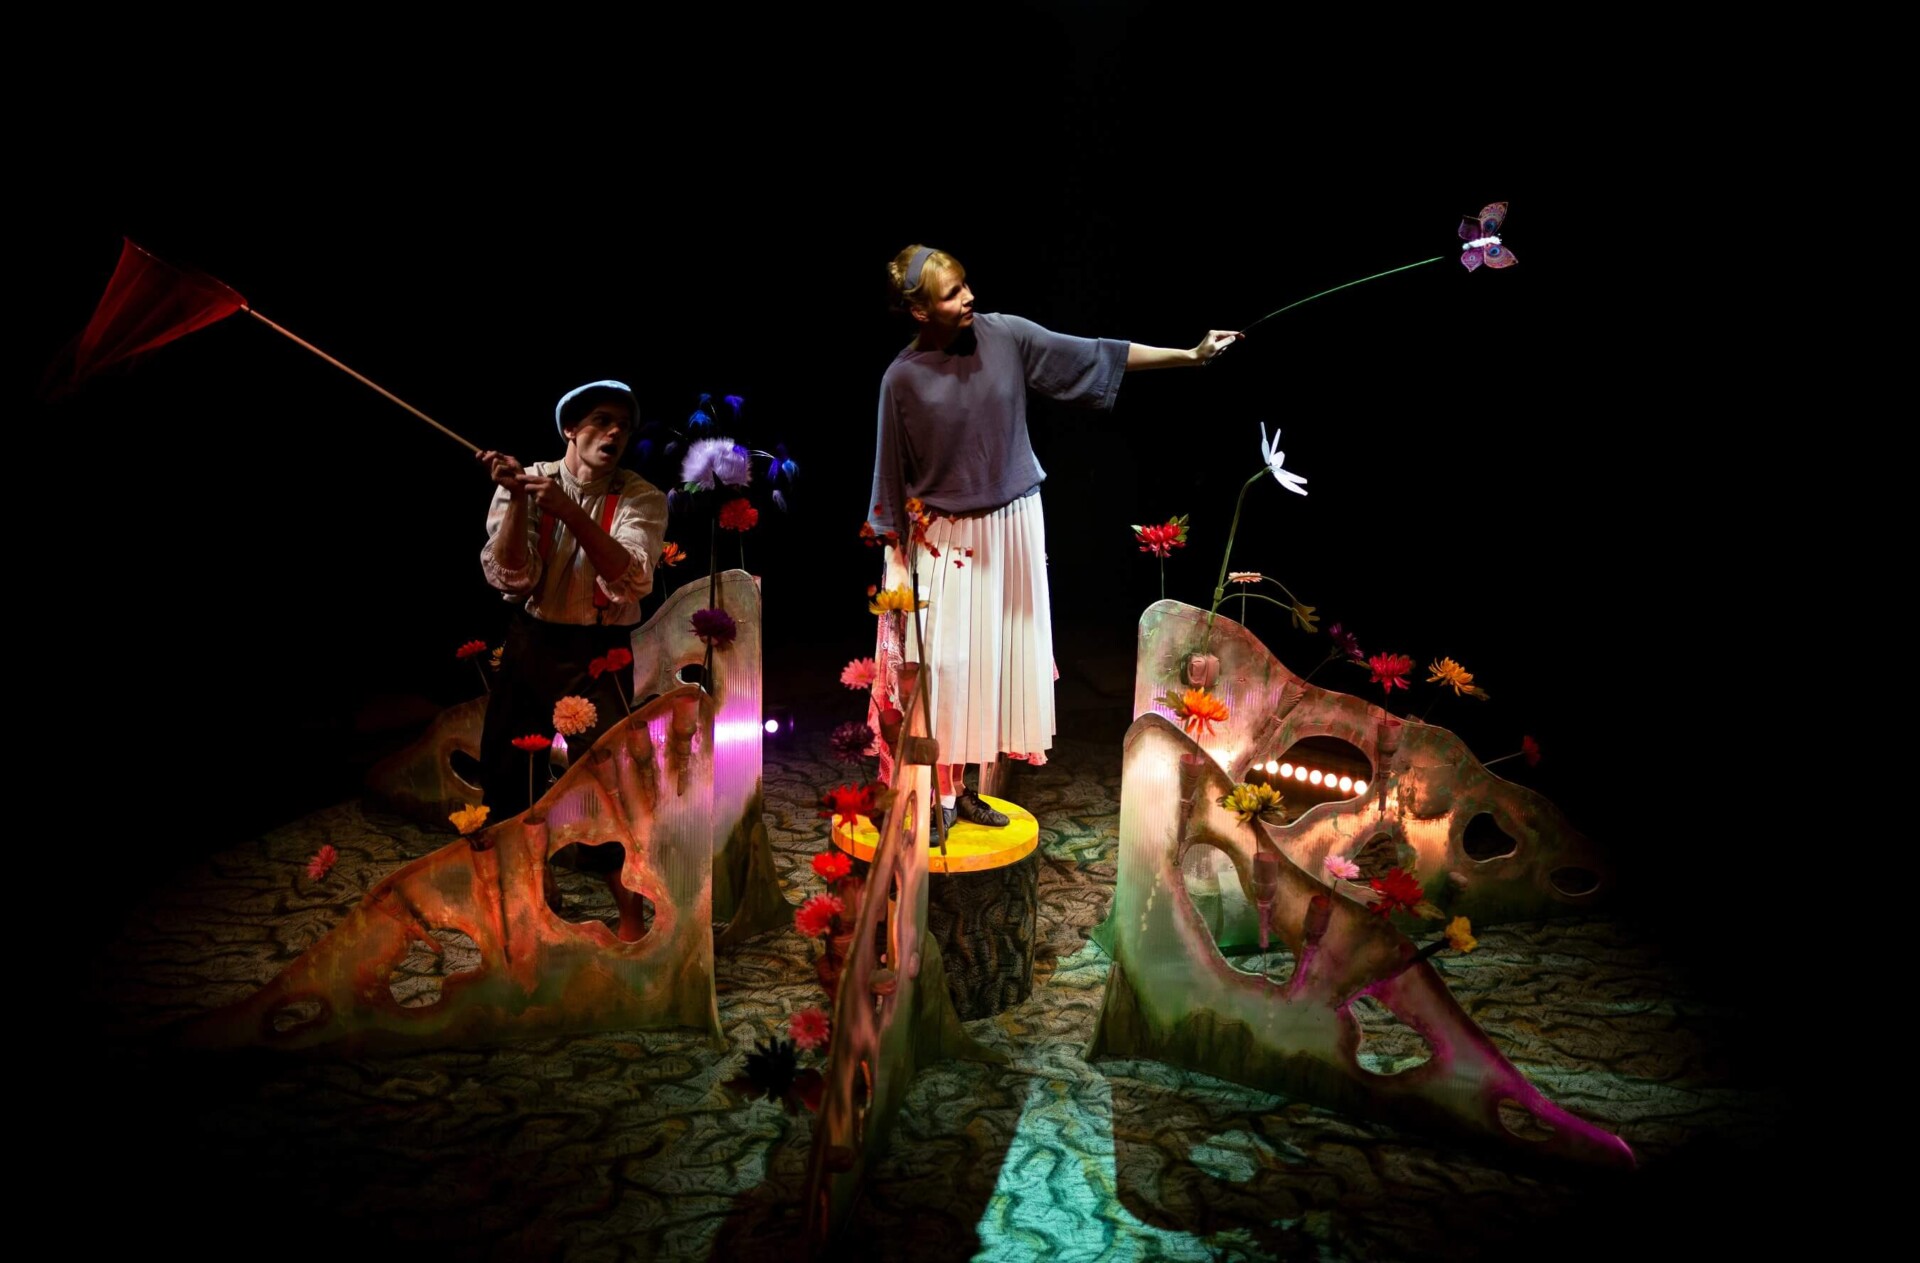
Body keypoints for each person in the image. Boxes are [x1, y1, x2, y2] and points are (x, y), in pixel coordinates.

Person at [867, 244, 1240, 836]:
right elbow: (888, 471)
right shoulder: (901, 379)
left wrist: (1189, 355)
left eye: (966, 285)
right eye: (952, 294)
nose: (969, 298)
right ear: (920, 311)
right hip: (945, 536)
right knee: (945, 666)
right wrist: (892, 552)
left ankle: (962, 789)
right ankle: (940, 793)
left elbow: (1094, 353)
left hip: (1012, 523)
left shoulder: (1005, 335)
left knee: (992, 662)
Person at [476, 380, 669, 823]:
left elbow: (631, 578)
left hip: (600, 653)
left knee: (609, 779)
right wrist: (519, 499)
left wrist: (570, 511)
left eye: (623, 426)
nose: (615, 433)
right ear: (571, 429)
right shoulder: (528, 482)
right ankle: (524, 860)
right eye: (602, 421)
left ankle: (611, 865)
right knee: (508, 773)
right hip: (532, 642)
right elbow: (513, 577)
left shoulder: (641, 496)